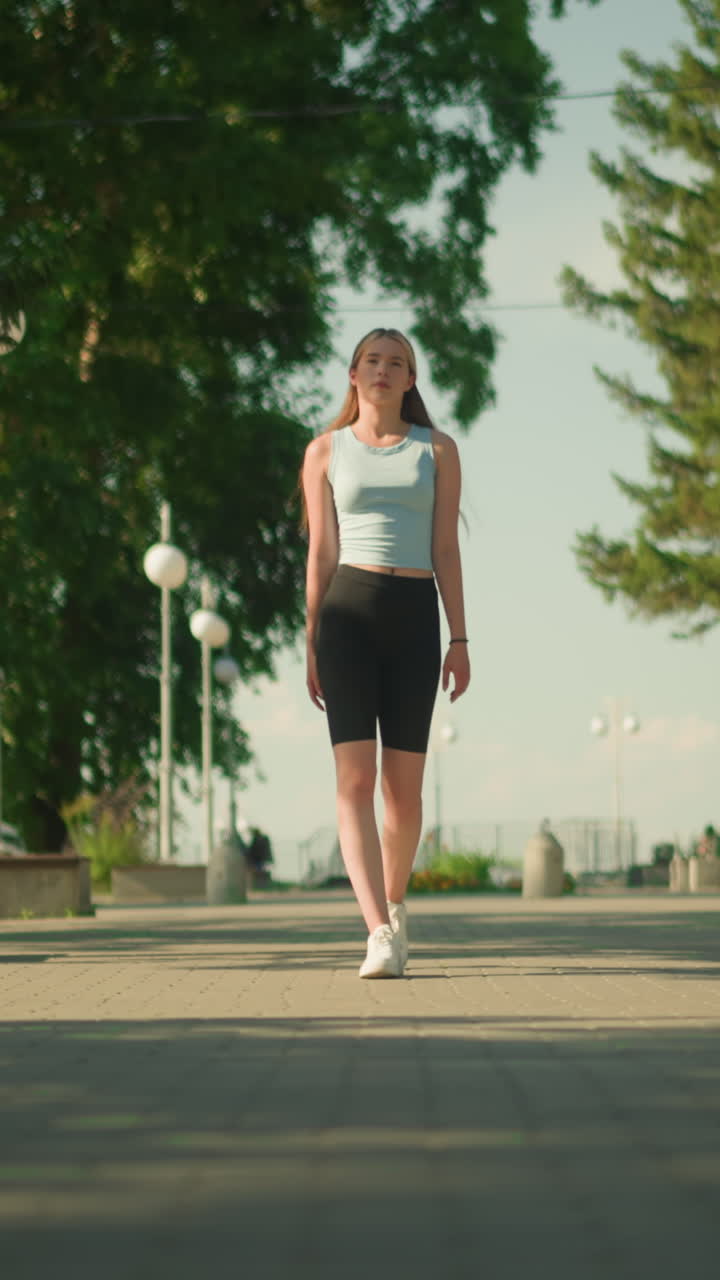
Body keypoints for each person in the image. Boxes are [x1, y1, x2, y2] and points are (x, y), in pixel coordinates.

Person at [301, 327, 470, 978]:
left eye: (396, 363)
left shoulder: (438, 451)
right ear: (352, 375)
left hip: (414, 617)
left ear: (409, 381)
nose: (383, 370)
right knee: (355, 782)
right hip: (346, 614)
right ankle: (375, 931)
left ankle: (395, 907)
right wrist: (310, 641)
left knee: (403, 797)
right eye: (372, 360)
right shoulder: (325, 452)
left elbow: (446, 549)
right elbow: (319, 553)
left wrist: (459, 638)